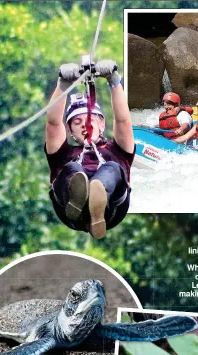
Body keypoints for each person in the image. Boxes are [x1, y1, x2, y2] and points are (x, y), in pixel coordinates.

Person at [45, 60, 135, 239]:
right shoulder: (64, 154)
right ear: (70, 131)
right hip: (68, 210)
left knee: (111, 168)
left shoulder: (117, 151)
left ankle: (98, 196)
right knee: (73, 169)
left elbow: (123, 120)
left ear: (102, 123)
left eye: (89, 120)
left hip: (113, 209)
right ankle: (79, 199)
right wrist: (63, 85)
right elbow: (53, 123)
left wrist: (114, 81)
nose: (84, 125)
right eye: (77, 123)